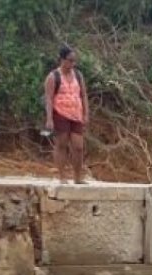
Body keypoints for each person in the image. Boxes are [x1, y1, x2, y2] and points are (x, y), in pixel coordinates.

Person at [43, 45, 89, 184]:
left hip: (76, 114)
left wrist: (86, 113)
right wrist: (49, 118)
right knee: (61, 144)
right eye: (69, 60)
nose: (72, 64)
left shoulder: (78, 75)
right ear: (62, 60)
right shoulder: (53, 77)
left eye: (74, 61)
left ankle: (77, 176)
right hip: (60, 113)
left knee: (78, 146)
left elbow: (83, 95)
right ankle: (62, 176)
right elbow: (49, 98)